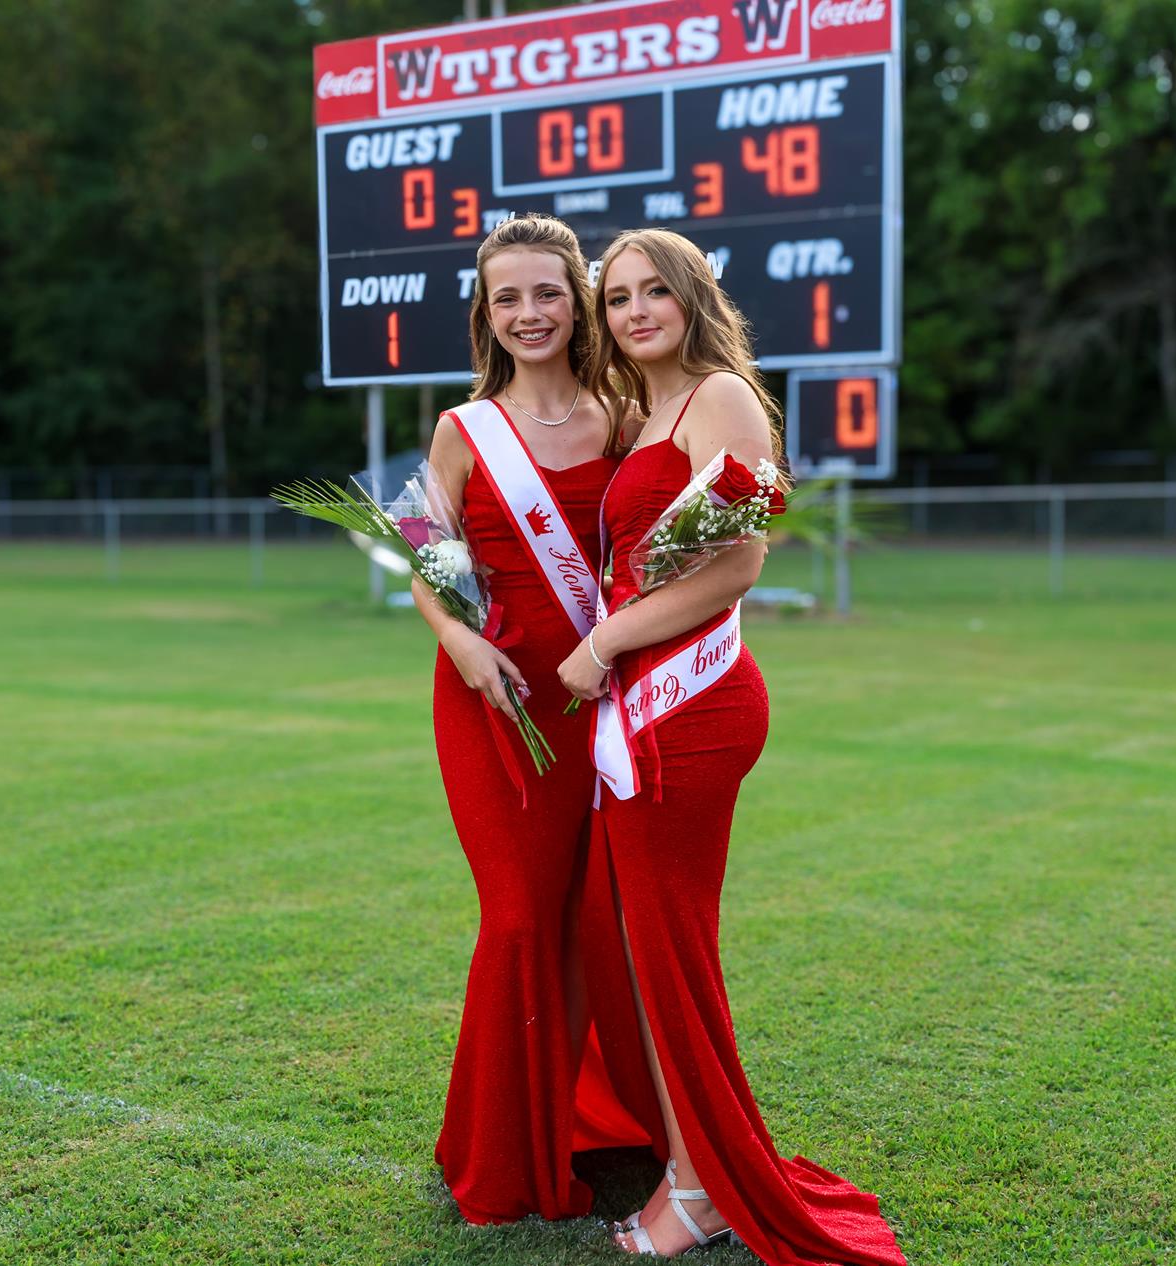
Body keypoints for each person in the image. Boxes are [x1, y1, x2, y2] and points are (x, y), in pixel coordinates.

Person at [557, 228, 907, 1265]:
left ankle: (704, 1189)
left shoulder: (719, 395)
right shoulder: (642, 411)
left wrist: (607, 641)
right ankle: (690, 1164)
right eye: (614, 297)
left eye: (653, 290)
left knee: (668, 951)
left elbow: (738, 562)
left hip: (689, 710)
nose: (632, 311)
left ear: (693, 296)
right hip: (645, 706)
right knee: (649, 949)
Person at [418, 213, 645, 1224]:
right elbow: (429, 560)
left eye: (545, 292)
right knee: (515, 916)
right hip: (489, 697)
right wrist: (464, 646)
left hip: (597, 696)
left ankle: (575, 1116)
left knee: (577, 919)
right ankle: (499, 1153)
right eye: (506, 297)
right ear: (486, 312)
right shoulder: (462, 430)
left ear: (577, 299)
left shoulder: (622, 417)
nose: (528, 313)